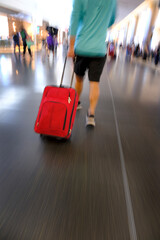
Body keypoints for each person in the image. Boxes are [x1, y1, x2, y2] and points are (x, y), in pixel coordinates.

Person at [68, 0, 117, 127]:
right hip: (99, 50)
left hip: (82, 47)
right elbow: (111, 20)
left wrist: (71, 46)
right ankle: (91, 115)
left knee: (79, 79)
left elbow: (74, 19)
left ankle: (77, 103)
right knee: (94, 82)